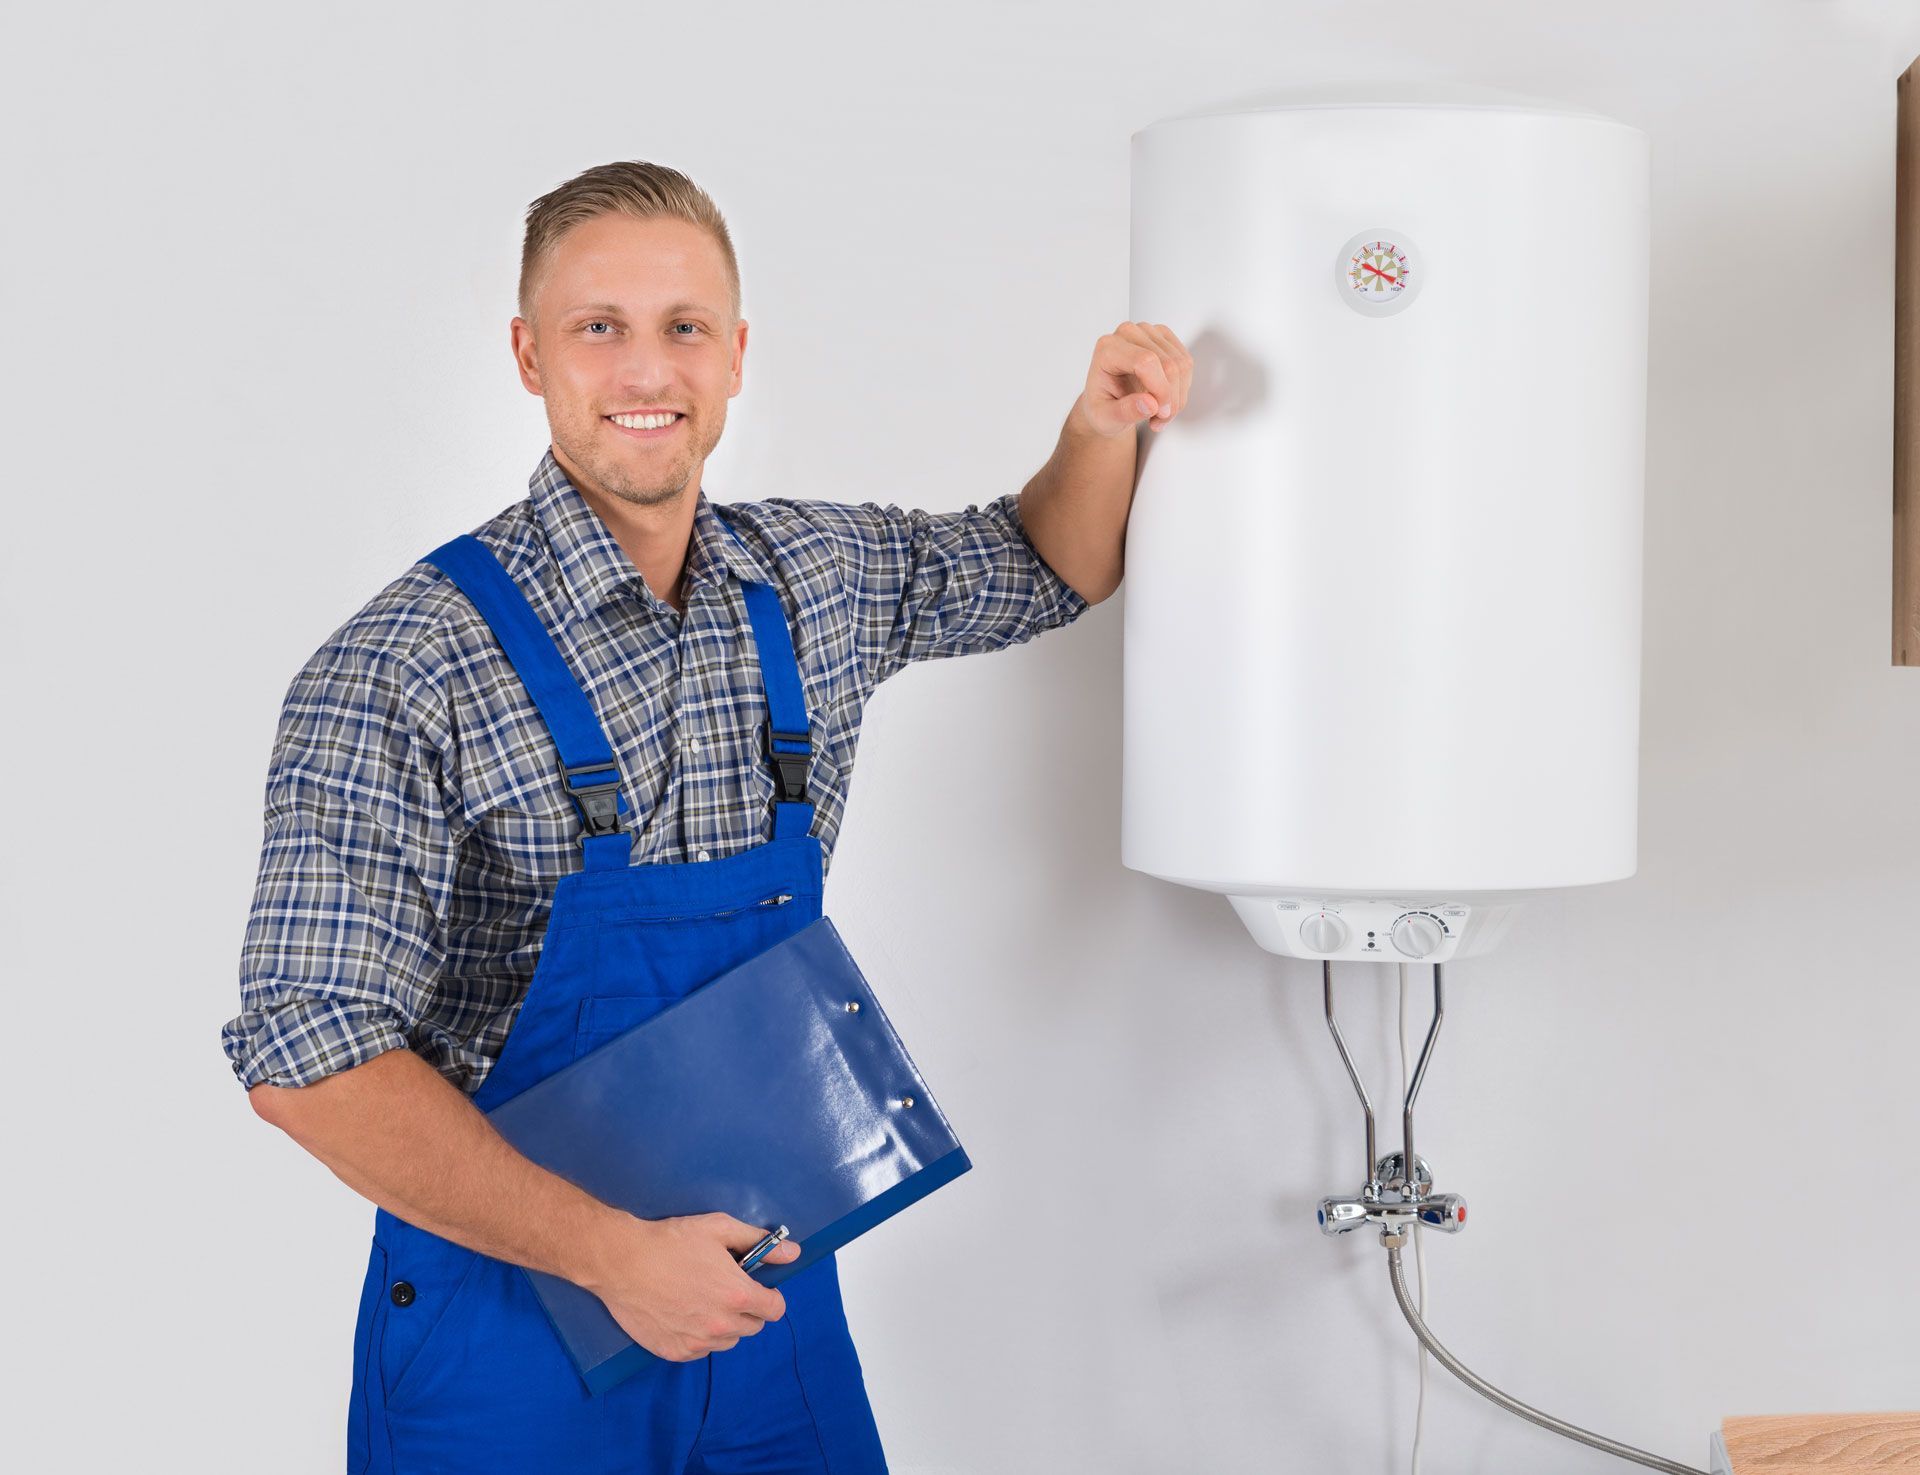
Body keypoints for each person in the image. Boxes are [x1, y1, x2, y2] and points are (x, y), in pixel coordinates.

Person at [221, 159, 1191, 1474]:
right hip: (507, 1338)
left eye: (684, 328)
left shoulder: (813, 580)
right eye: (598, 326)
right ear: (528, 355)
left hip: (764, 1301)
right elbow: (309, 1058)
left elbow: (1039, 564)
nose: (646, 369)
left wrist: (1102, 423)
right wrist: (612, 1257)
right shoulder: (404, 664)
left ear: (736, 357)